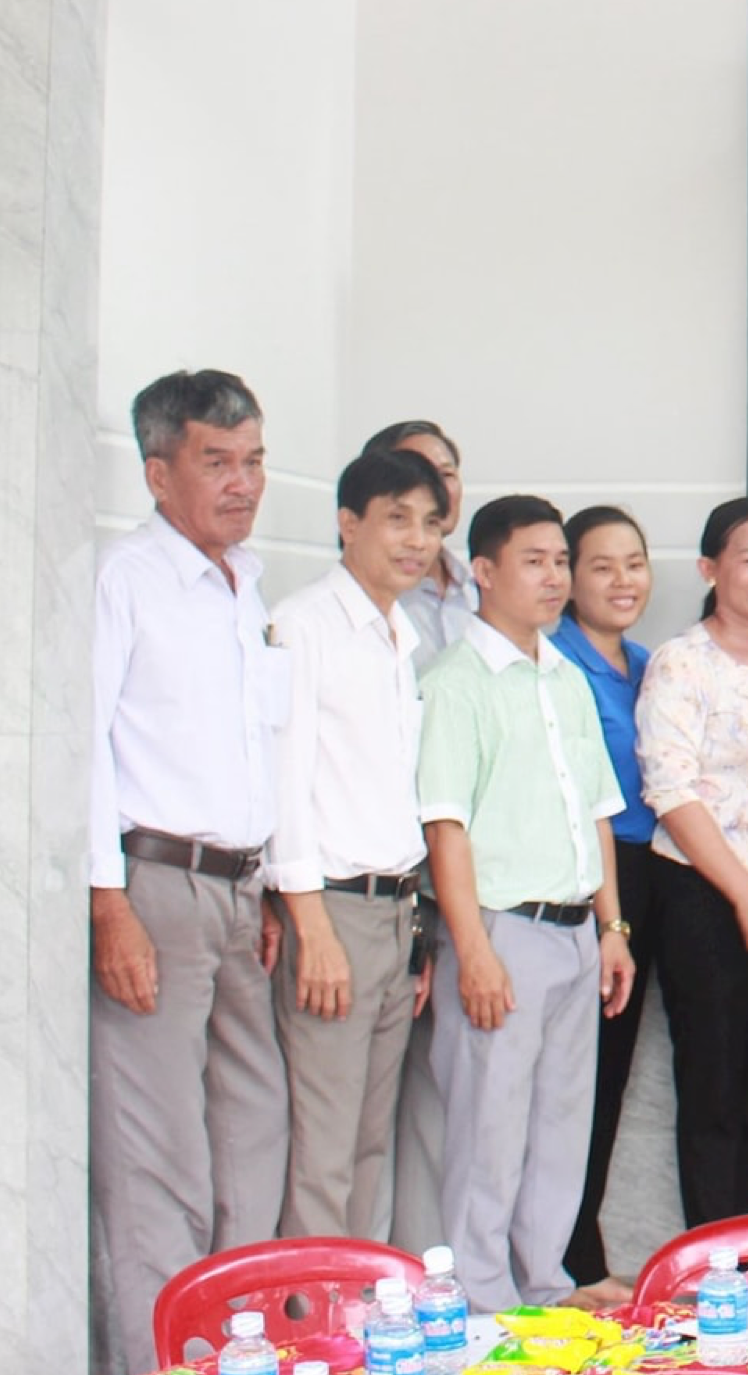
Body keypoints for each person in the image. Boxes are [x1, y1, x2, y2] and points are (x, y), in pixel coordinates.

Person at [88, 369, 290, 1373]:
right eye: (217, 461)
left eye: (253, 460)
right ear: (158, 472)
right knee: (157, 1156)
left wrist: (270, 882)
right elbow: (83, 744)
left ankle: (233, 1363)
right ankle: (155, 1374)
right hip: (155, 888)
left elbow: (261, 749)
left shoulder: (249, 584)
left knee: (254, 1133)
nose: (242, 482)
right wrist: (107, 903)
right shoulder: (124, 578)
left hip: (242, 891)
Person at [414, 495, 637, 1314]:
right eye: (534, 561)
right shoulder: (454, 684)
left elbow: (597, 813)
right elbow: (446, 826)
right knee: (489, 1130)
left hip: (576, 932)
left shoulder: (564, 678)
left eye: (560, 561)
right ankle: (480, 1305)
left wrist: (613, 927)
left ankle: (545, 1288)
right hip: (501, 931)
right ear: (484, 571)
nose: (554, 577)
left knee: (560, 1126)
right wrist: (472, 952)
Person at [269, 445, 449, 1241]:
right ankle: (307, 1312)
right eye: (397, 519)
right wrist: (311, 929)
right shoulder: (303, 626)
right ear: (348, 523)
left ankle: (361, 1304)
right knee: (324, 1149)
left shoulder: (399, 635)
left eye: (431, 524)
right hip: (331, 915)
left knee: (372, 1143)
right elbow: (286, 784)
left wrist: (417, 935)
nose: (417, 540)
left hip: (393, 913)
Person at [638, 497, 748, 1226]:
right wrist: (744, 894)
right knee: (712, 1085)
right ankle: (713, 1258)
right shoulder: (682, 663)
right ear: (711, 569)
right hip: (703, 892)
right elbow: (669, 790)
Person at [368, 416, 469, 1256]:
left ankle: (434, 1266)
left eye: (447, 476)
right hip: (394, 871)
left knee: (442, 1096)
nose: (437, 494)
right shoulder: (371, 603)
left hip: (462, 875)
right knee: (374, 1102)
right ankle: (378, 1272)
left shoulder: (484, 590)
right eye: (413, 482)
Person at [551, 506, 658, 1300]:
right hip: (592, 875)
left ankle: (581, 1243)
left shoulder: (650, 664)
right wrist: (607, 915)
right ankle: (566, 1257)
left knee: (612, 1072)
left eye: (635, 563)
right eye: (601, 566)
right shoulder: (555, 662)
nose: (623, 581)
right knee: (575, 1076)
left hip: (652, 872)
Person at [367, 421, 474, 656]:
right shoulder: (365, 599)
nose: (439, 489)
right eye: (420, 475)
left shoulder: (482, 586)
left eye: (447, 474)